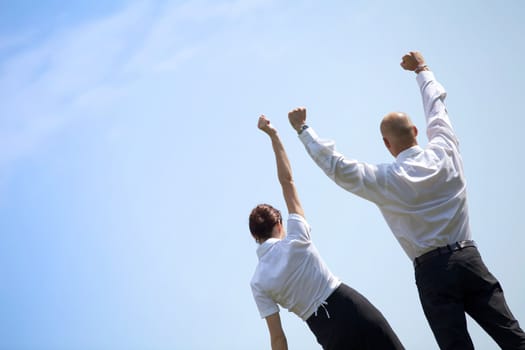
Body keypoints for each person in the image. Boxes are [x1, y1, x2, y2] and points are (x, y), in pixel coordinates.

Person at [288, 51, 525, 350]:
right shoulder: (445, 151)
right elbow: (437, 109)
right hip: (469, 257)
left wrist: (303, 130)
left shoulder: (385, 180)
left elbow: (337, 166)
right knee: (513, 337)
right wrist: (422, 70)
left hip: (432, 272)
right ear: (415, 131)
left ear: (387, 145)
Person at [250, 115, 404, 350]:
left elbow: (278, 338)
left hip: (326, 331)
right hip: (352, 307)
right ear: (279, 224)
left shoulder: (258, 282)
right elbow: (287, 182)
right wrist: (274, 135)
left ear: (255, 236)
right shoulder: (296, 237)